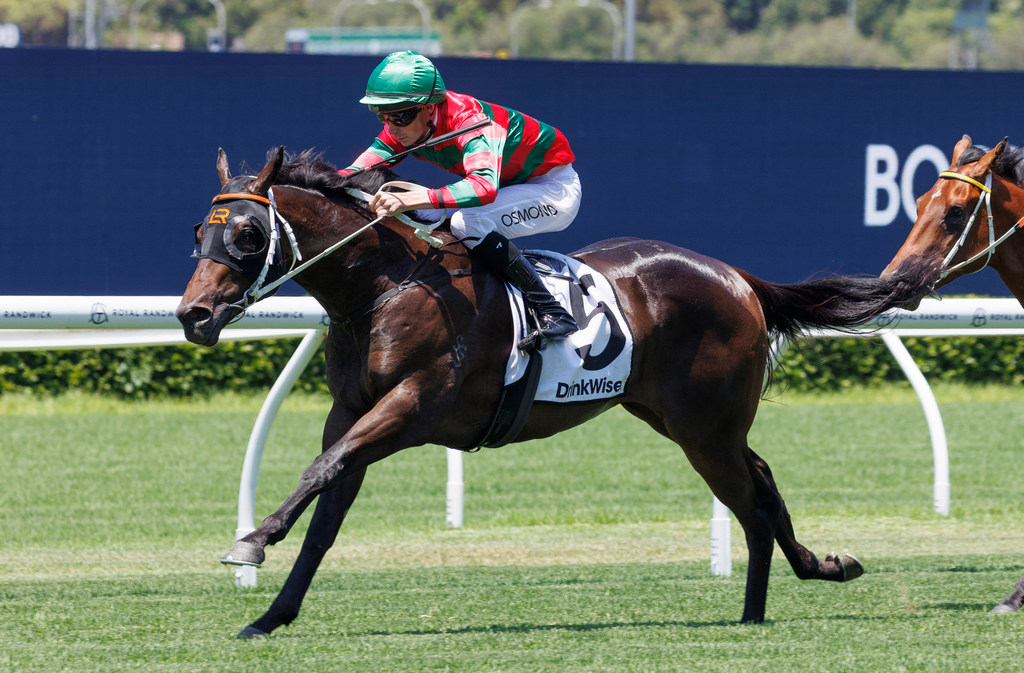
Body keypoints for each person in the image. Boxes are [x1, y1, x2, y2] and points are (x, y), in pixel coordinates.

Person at [337, 50, 581, 346]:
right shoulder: (408, 126)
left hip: (553, 190)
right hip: (510, 190)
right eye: (383, 116)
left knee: (466, 222)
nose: (392, 128)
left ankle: (552, 311)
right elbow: (353, 173)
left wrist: (420, 197)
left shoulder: (470, 119)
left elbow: (483, 188)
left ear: (429, 108)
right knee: (420, 218)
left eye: (400, 116)